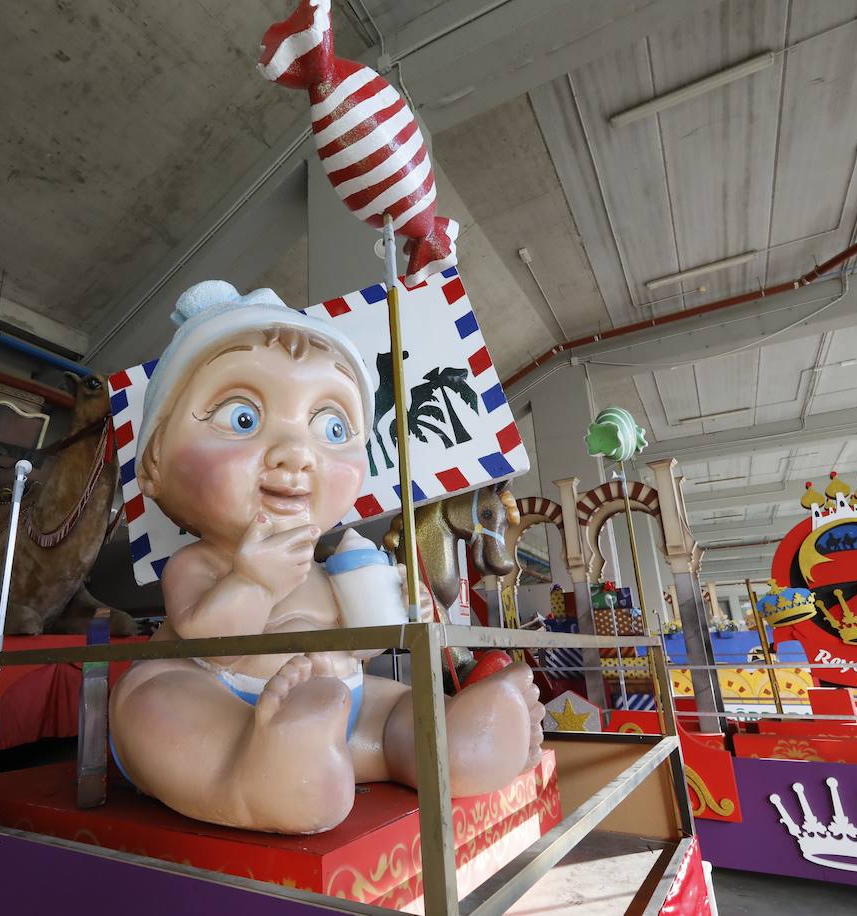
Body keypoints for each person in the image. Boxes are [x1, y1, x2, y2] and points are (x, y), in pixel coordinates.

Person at [108, 281, 543, 834]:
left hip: (343, 704)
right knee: (151, 703)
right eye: (242, 418)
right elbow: (212, 645)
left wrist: (382, 603)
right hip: (217, 697)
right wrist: (252, 583)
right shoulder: (199, 563)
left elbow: (361, 645)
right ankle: (259, 774)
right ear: (154, 464)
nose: (297, 454)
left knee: (394, 711)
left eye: (332, 428)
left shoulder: (325, 565)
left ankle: (454, 744)